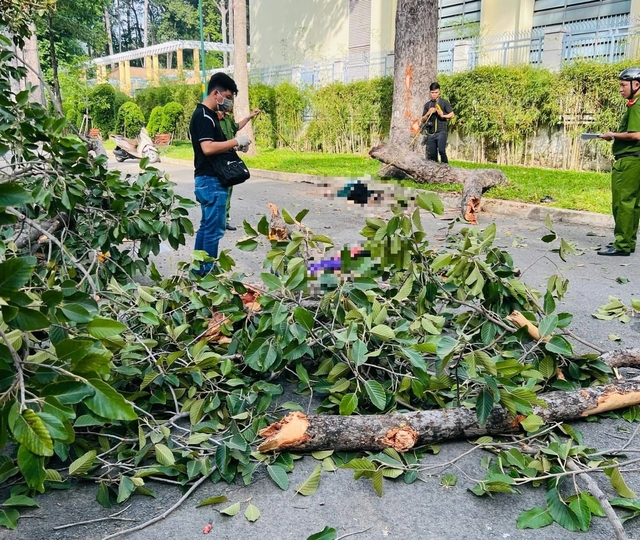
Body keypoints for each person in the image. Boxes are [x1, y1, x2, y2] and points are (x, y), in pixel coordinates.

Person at [189, 72, 252, 273]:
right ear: (216, 93)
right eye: (228, 97)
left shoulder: (208, 115)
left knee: (207, 227)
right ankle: (207, 274)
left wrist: (233, 147)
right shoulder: (205, 116)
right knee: (213, 231)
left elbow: (213, 146)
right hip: (211, 181)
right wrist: (236, 141)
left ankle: (198, 271)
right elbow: (207, 148)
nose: (228, 102)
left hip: (208, 180)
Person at [598, 67, 640, 256]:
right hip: (636, 160)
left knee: (622, 203)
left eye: (623, 85)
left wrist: (612, 135)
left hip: (629, 160)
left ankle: (622, 244)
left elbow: (636, 134)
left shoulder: (637, 106)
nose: (621, 89)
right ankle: (628, 242)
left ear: (636, 84)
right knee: (633, 204)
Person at [217, 104, 261, 231]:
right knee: (220, 190)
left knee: (228, 189)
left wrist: (249, 117)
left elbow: (236, 127)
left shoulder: (227, 119)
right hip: (218, 160)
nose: (229, 103)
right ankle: (217, 220)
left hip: (229, 159)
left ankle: (225, 219)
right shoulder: (214, 120)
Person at [421, 82, 454, 164]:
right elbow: (423, 119)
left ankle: (446, 169)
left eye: (436, 92)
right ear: (430, 93)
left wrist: (443, 115)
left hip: (441, 131)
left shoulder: (444, 102)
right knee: (432, 154)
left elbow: (452, 115)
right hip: (431, 133)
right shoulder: (427, 105)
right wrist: (428, 113)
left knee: (442, 151)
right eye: (432, 93)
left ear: (439, 92)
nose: (434, 94)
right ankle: (435, 171)